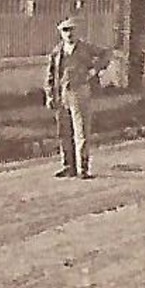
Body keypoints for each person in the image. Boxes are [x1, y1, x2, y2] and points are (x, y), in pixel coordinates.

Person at [45, 17, 103, 179]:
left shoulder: (85, 48)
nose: (69, 34)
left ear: (77, 32)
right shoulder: (57, 52)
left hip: (80, 92)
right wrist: (50, 95)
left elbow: (106, 54)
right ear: (61, 33)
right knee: (64, 131)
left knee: (81, 130)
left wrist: (94, 70)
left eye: (71, 30)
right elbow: (50, 75)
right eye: (65, 30)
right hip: (62, 93)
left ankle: (82, 168)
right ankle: (68, 166)